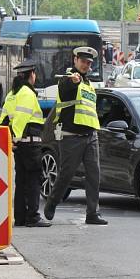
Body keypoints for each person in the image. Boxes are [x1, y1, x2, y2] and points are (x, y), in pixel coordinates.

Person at [43, 46, 107, 225]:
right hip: (71, 136)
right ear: (75, 60)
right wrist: (73, 81)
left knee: (94, 175)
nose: (86, 65)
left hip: (90, 135)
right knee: (67, 174)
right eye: (83, 61)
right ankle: (52, 202)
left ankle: (92, 213)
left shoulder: (88, 84)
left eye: (89, 63)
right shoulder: (67, 79)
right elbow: (65, 91)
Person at [0, 59, 51, 227]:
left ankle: (20, 217)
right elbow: (20, 119)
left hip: (19, 146)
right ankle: (33, 217)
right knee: (33, 180)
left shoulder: (11, 94)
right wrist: (15, 137)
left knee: (21, 181)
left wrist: (8, 139)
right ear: (31, 75)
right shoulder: (28, 94)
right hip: (30, 144)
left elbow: (3, 120)